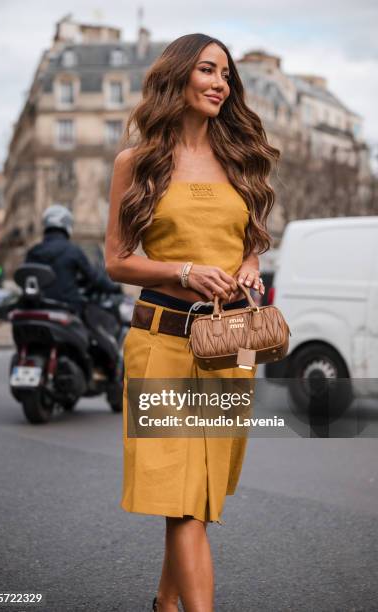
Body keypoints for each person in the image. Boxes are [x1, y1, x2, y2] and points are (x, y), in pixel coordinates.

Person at [105, 33, 280, 612]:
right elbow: (115, 260)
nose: (219, 83)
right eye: (207, 70)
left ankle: (163, 602)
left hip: (232, 347)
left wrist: (249, 267)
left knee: (198, 497)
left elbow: (249, 242)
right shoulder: (136, 162)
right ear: (178, 76)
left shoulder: (238, 159)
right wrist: (184, 271)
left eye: (225, 74)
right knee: (182, 503)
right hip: (162, 344)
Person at [25, 203, 120, 318]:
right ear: (67, 225)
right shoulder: (73, 251)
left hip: (36, 308)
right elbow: (93, 277)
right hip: (68, 309)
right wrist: (113, 287)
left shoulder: (33, 252)